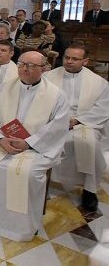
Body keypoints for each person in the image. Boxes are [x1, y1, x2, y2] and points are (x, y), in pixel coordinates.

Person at [0, 51, 69, 242]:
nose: (25, 69)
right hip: (3, 141)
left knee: (27, 173)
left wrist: (28, 142)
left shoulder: (56, 95)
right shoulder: (4, 88)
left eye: (31, 66)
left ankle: (20, 225)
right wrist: (0, 139)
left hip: (35, 147)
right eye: (22, 64)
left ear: (43, 69)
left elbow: (57, 127)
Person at [44, 44, 109, 211]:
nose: (69, 61)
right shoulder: (48, 77)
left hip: (84, 123)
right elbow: (40, 102)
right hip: (53, 122)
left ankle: (89, 190)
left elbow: (103, 108)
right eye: (67, 58)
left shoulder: (99, 83)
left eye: (75, 59)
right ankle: (41, 182)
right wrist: (58, 120)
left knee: (90, 144)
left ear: (85, 61)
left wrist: (77, 120)